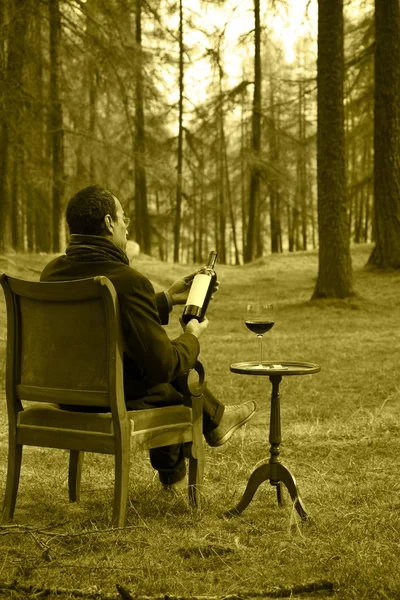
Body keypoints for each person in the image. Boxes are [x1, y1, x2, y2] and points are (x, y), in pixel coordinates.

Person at [41, 185, 257, 492]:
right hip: (112, 400)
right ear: (108, 223)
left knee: (160, 374)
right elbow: (164, 365)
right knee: (172, 380)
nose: (128, 224)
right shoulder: (128, 281)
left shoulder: (52, 274)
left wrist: (168, 298)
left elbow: (107, 319)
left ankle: (206, 433)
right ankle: (208, 430)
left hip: (68, 397)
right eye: (123, 217)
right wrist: (192, 335)